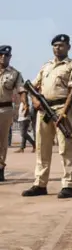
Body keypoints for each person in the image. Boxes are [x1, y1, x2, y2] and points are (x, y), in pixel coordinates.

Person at [21, 35, 72, 198]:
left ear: (68, 47)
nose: (58, 48)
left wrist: (64, 112)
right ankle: (40, 184)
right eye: (55, 45)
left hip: (61, 108)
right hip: (43, 109)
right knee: (42, 148)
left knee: (65, 148)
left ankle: (68, 185)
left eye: (61, 45)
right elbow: (32, 86)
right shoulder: (46, 66)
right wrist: (34, 100)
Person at [0, 45, 27, 182]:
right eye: (1, 55)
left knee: (2, 141)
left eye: (6, 55)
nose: (3, 57)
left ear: (10, 57)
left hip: (5, 110)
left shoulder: (15, 74)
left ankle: (0, 168)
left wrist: (25, 104)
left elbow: (21, 90)